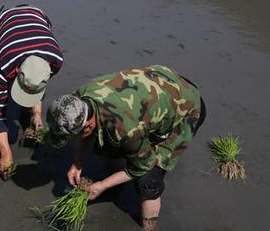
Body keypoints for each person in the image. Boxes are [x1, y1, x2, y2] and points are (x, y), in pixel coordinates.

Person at [46, 65, 206, 231]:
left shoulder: (126, 129)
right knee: (108, 145)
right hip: (160, 84)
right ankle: (119, 177)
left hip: (186, 108)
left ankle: (148, 227)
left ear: (88, 125)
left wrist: (102, 186)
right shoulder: (77, 100)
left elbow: (142, 166)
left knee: (148, 179)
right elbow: (85, 132)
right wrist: (77, 162)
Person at [0, 5, 64, 179]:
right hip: (5, 21)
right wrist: (5, 152)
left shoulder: (55, 60)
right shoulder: (3, 65)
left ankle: (29, 113)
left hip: (37, 14)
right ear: (17, 70)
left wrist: (37, 114)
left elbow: (40, 83)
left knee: (33, 90)